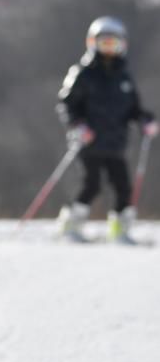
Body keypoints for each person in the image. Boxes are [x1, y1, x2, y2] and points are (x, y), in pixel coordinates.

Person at [57, 16, 157, 241]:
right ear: (92, 43)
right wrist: (78, 125)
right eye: (104, 43)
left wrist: (145, 120)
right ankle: (71, 225)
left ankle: (120, 230)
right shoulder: (83, 73)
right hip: (88, 141)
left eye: (114, 44)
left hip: (116, 142)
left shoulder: (124, 77)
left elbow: (134, 108)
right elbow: (67, 104)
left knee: (123, 187)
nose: (109, 49)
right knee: (91, 184)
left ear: (123, 45)